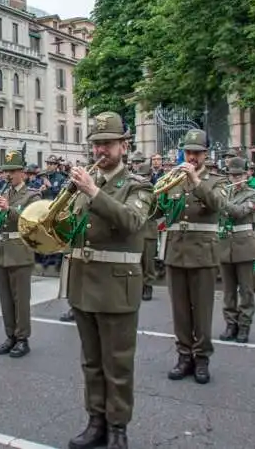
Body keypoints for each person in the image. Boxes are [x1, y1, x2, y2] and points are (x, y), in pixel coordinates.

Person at [64, 112, 153, 449]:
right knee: (91, 361)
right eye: (97, 143)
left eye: (107, 143)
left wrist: (92, 191)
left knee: (117, 363)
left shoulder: (138, 184)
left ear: (123, 146)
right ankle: (95, 420)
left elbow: (131, 221)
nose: (100, 149)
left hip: (117, 285)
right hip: (83, 282)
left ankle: (118, 427)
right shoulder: (86, 183)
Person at [156, 129, 227, 385]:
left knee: (202, 311)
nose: (192, 157)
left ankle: (202, 358)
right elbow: (158, 210)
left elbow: (219, 205)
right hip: (176, 251)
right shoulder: (172, 178)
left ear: (205, 154)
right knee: (180, 311)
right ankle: (184, 355)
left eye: (196, 153)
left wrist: (196, 181)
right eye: (188, 152)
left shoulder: (216, 180)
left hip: (203, 253)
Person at [0, 148, 41, 359]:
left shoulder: (32, 194)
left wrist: (9, 209)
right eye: (5, 171)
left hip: (20, 251)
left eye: (12, 171)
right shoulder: (2, 193)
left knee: (21, 299)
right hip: (2, 251)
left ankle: (22, 338)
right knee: (5, 299)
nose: (8, 175)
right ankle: (9, 335)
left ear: (22, 172)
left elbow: (32, 220)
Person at [217, 157, 255, 343]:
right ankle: (230, 324)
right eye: (232, 175)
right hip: (225, 245)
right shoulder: (223, 193)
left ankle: (244, 325)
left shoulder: (253, 193)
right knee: (228, 291)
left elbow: (240, 212)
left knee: (246, 290)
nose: (234, 179)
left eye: (238, 175)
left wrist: (219, 202)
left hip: (244, 245)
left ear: (246, 175)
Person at [135, 162, 158, 301]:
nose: (142, 179)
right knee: (136, 262)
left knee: (148, 262)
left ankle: (148, 286)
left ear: (150, 176)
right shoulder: (134, 190)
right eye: (140, 176)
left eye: (144, 176)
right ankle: (138, 287)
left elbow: (158, 211)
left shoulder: (155, 191)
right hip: (136, 230)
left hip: (149, 231)